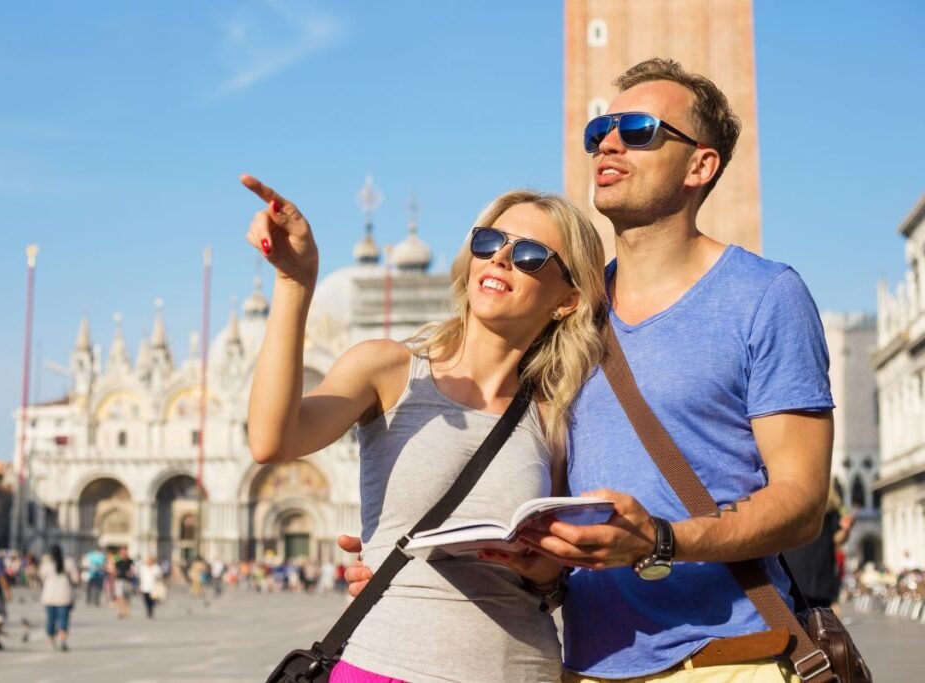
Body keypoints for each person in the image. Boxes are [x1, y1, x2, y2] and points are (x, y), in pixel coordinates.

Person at [345, 58, 835, 683]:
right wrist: (403, 557)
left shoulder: (765, 295)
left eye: (638, 130)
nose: (608, 140)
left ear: (700, 165)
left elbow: (801, 502)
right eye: (600, 129)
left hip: (731, 657)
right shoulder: (560, 311)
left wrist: (660, 541)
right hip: (587, 665)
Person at [243, 173, 606, 682]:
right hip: (388, 666)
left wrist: (539, 565)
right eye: (488, 242)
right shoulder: (389, 369)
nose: (500, 258)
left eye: (529, 256)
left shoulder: (558, 413)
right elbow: (271, 440)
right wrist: (294, 283)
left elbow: (556, 577)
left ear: (567, 298)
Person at [783, 486, 854, 616]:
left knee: (817, 625)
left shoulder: (829, 509)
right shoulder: (788, 501)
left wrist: (846, 529)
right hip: (794, 572)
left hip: (819, 577)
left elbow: (838, 539)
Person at [40, 544, 79, 651]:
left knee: (50, 620)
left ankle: (52, 643)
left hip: (49, 596)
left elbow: (42, 578)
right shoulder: (69, 563)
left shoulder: (46, 565)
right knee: (63, 620)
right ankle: (62, 641)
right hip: (64, 595)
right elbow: (76, 579)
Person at [112, 547, 133, 618]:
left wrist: (131, 573)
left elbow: (133, 569)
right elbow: (113, 568)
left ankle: (127, 610)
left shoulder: (130, 561)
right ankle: (120, 611)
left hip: (127, 580)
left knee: (127, 597)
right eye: (122, 552)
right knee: (119, 596)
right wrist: (114, 578)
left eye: (125, 551)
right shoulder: (118, 560)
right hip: (119, 580)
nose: (124, 553)